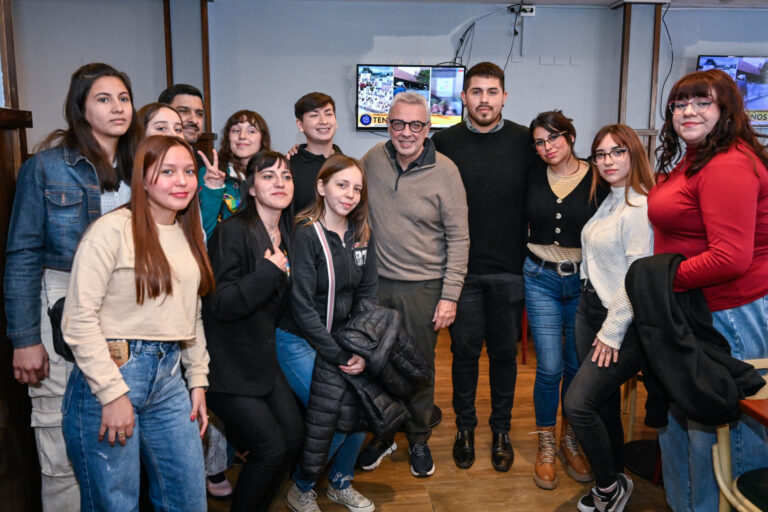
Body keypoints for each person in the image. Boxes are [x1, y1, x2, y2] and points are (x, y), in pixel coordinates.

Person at [4, 62, 140, 511]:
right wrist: (25, 339)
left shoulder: (143, 165)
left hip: (126, 306)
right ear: (80, 108)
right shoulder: (45, 167)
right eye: (103, 99)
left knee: (116, 433)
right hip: (60, 297)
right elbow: (22, 256)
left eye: (123, 97)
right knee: (59, 441)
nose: (118, 107)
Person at [60, 135, 213, 510]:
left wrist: (197, 380)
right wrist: (111, 393)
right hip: (111, 373)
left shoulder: (190, 235)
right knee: (116, 505)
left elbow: (191, 316)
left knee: (188, 500)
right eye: (168, 172)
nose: (182, 181)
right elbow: (78, 320)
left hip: (169, 376)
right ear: (143, 180)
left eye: (190, 171)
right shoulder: (110, 231)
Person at [648, 68, 768, 511]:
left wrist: (657, 282)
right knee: (688, 430)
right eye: (680, 104)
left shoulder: (729, 163)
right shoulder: (698, 157)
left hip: (730, 315)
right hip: (697, 311)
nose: (688, 111)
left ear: (727, 110)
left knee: (729, 438)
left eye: (703, 102)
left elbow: (730, 258)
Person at [358, 92, 469, 478]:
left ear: (428, 128)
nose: (406, 132)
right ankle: (385, 434)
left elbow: (459, 238)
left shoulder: (446, 171)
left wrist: (449, 296)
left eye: (416, 124)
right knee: (377, 365)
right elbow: (342, 190)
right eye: (398, 124)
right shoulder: (372, 159)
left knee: (417, 368)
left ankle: (418, 438)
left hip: (424, 288)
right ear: (388, 124)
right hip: (375, 285)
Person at [431, 61, 533, 473]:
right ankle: (465, 429)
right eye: (476, 92)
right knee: (464, 354)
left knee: (505, 356)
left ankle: (502, 430)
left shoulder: (526, 141)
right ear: (464, 97)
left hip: (511, 269)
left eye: (492, 92)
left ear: (504, 97)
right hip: (463, 273)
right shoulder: (443, 142)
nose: (484, 99)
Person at [275, 155, 377, 512]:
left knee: (362, 409)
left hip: (344, 341)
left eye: (357, 188)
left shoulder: (361, 232)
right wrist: (339, 355)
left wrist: (361, 347)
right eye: (341, 184)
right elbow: (302, 307)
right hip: (300, 341)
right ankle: (301, 487)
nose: (350, 194)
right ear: (321, 187)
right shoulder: (306, 233)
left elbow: (368, 295)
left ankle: (339, 483)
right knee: (337, 412)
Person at [203, 150, 303, 511]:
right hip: (227, 366)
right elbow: (221, 304)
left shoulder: (287, 233)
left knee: (293, 439)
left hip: (261, 358)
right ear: (252, 188)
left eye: (286, 176)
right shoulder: (233, 231)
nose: (279, 183)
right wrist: (267, 272)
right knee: (270, 448)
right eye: (268, 176)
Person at [564, 124, 655, 512]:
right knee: (601, 405)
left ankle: (605, 488)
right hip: (590, 310)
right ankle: (617, 476)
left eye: (617, 151)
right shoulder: (611, 199)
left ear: (633, 153)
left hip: (618, 320)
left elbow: (636, 279)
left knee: (577, 405)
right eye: (600, 154)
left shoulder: (638, 206)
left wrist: (612, 331)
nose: (607, 161)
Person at [526, 110, 605, 489]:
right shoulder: (530, 173)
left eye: (553, 138)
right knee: (550, 368)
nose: (547, 147)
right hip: (539, 278)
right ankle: (545, 441)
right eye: (540, 142)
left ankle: (569, 439)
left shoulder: (597, 176)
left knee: (576, 367)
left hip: (582, 284)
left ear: (571, 137)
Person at [198, 109, 272, 238]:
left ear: (262, 139)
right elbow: (204, 234)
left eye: (251, 131)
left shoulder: (272, 176)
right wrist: (213, 190)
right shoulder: (210, 174)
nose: (242, 136)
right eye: (236, 130)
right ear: (228, 138)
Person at [290, 92, 343, 214]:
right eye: (314, 115)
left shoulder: (348, 166)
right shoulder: (289, 166)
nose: (323, 121)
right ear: (300, 124)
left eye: (329, 114)